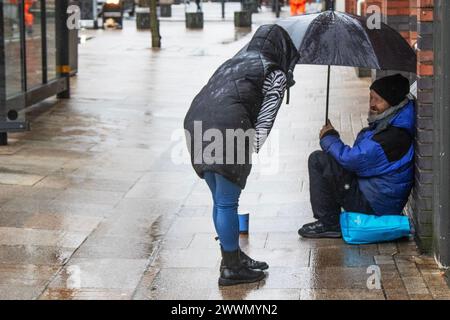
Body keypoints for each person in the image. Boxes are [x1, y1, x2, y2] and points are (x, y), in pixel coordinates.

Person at [184, 25, 299, 286]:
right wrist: (251, 147)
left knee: (219, 199)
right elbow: (265, 120)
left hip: (195, 123)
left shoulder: (233, 62)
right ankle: (232, 269)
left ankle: (233, 256)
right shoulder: (274, 72)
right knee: (227, 203)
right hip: (227, 129)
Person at [298, 74, 415, 239]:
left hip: (374, 207)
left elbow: (353, 160)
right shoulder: (391, 122)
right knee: (330, 162)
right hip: (375, 195)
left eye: (378, 99)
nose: (372, 104)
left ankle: (329, 223)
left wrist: (329, 137)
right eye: (370, 98)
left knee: (319, 160)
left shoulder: (393, 136)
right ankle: (330, 219)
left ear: (392, 102)